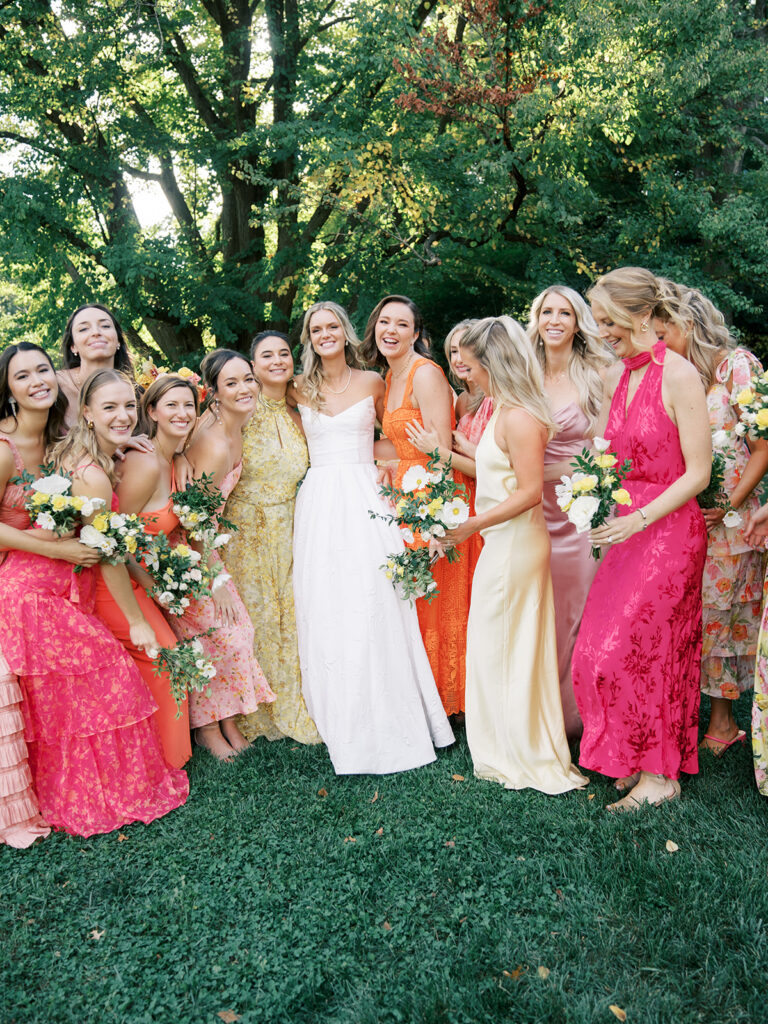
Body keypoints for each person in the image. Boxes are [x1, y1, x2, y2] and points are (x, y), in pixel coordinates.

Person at [0, 360, 188, 837]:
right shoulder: (89, 472)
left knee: (69, 701)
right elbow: (106, 553)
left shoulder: (78, 453)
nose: (122, 414)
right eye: (110, 407)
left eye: (129, 406)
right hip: (34, 591)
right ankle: (91, 793)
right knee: (106, 679)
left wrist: (119, 436)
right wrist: (136, 619)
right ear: (85, 412)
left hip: (62, 584)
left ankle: (83, 788)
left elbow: (108, 546)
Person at [292, 300, 454, 774]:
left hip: (366, 494)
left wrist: (384, 466)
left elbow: (395, 438)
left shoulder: (373, 381)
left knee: (377, 596)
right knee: (326, 600)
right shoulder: (297, 389)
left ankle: (392, 707)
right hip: (320, 501)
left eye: (332, 326)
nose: (325, 334)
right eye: (316, 329)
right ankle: (337, 709)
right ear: (309, 337)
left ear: (345, 332)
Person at [572, 267, 711, 811]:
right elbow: (608, 456)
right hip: (625, 530)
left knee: (647, 652)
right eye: (599, 320)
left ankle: (661, 775)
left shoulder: (680, 376)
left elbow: (697, 473)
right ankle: (633, 756)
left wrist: (639, 517)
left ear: (644, 315)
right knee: (597, 654)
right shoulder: (612, 379)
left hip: (670, 531)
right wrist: (592, 494)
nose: (602, 331)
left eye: (609, 320)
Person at [435, 316, 587, 794]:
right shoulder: (504, 409)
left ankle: (519, 747)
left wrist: (471, 526)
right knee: (500, 644)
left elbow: (527, 492)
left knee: (508, 644)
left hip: (516, 542)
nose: (467, 371)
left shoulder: (520, 416)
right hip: (504, 540)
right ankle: (503, 738)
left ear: (493, 362)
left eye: (473, 364)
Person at [654, 286, 768, 755]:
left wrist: (733, 505)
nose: (659, 346)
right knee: (698, 612)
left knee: (725, 614)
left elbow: (763, 447)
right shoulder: (687, 378)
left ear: (689, 325)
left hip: (737, 519)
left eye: (664, 335)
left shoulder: (736, 366)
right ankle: (700, 713)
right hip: (695, 515)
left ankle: (723, 723)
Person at [0, 343, 103, 847]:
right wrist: (60, 550)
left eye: (43, 369)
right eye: (23, 376)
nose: (38, 380)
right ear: (9, 390)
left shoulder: (62, 443)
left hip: (53, 566)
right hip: (13, 572)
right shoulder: (4, 450)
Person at [362, 295, 470, 717]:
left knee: (440, 598)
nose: (391, 330)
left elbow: (441, 449)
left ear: (417, 334)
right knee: (417, 599)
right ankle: (424, 695)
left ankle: (451, 700)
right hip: (406, 496)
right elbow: (397, 443)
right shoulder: (390, 377)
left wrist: (436, 521)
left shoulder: (426, 374)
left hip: (435, 497)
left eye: (401, 324)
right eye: (384, 321)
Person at [174, 350, 275, 761]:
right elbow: (196, 521)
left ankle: (229, 720)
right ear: (213, 393)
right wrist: (213, 582)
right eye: (231, 383)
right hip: (190, 550)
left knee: (236, 635)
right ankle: (207, 730)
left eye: (248, 379)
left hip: (208, 541)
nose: (244, 388)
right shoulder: (215, 443)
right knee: (220, 635)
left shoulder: (235, 426)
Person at [223, 331, 320, 745]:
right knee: (255, 618)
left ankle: (292, 699)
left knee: (289, 615)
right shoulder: (242, 408)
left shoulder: (299, 409)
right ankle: (251, 713)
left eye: (284, 353)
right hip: (244, 529)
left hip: (290, 527)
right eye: (267, 355)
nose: (278, 360)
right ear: (252, 365)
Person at [526, 286, 614, 741]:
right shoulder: (523, 371)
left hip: (578, 509)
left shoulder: (596, 373)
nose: (555, 320)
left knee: (576, 610)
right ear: (536, 319)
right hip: (529, 506)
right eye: (547, 311)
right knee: (538, 608)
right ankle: (539, 713)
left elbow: (606, 449)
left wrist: (557, 470)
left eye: (565, 312)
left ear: (579, 321)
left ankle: (577, 717)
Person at [101, 373, 202, 769]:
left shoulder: (174, 460)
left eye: (189, 405)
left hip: (147, 578)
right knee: (167, 660)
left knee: (174, 658)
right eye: (171, 405)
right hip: (116, 580)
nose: (182, 413)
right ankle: (159, 762)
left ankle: (168, 756)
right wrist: (153, 586)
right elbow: (111, 539)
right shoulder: (143, 464)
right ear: (152, 412)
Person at [402, 319, 493, 586]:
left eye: (468, 348)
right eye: (453, 351)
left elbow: (496, 469)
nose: (459, 358)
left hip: (488, 502)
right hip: (463, 500)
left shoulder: (496, 400)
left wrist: (442, 452)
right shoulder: (460, 400)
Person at [56, 304, 136, 426]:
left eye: (105, 326)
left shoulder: (136, 393)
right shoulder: (55, 386)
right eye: (83, 329)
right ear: (73, 346)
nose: (96, 332)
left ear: (118, 341)